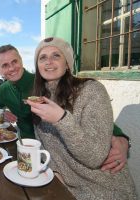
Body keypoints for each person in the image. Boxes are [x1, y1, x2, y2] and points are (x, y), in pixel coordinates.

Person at [0, 44, 130, 173]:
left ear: (21, 60)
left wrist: (121, 138)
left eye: (14, 61)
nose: (11, 68)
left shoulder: (43, 82)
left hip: (56, 155)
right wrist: (1, 113)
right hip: (26, 149)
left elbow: (94, 114)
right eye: (5, 65)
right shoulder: (3, 90)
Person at [26, 37, 136, 199]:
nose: (48, 61)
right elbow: (44, 144)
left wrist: (61, 119)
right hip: (65, 186)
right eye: (42, 57)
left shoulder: (92, 91)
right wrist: (55, 171)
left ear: (68, 64)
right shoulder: (39, 98)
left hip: (103, 188)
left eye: (56, 55)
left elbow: (95, 157)